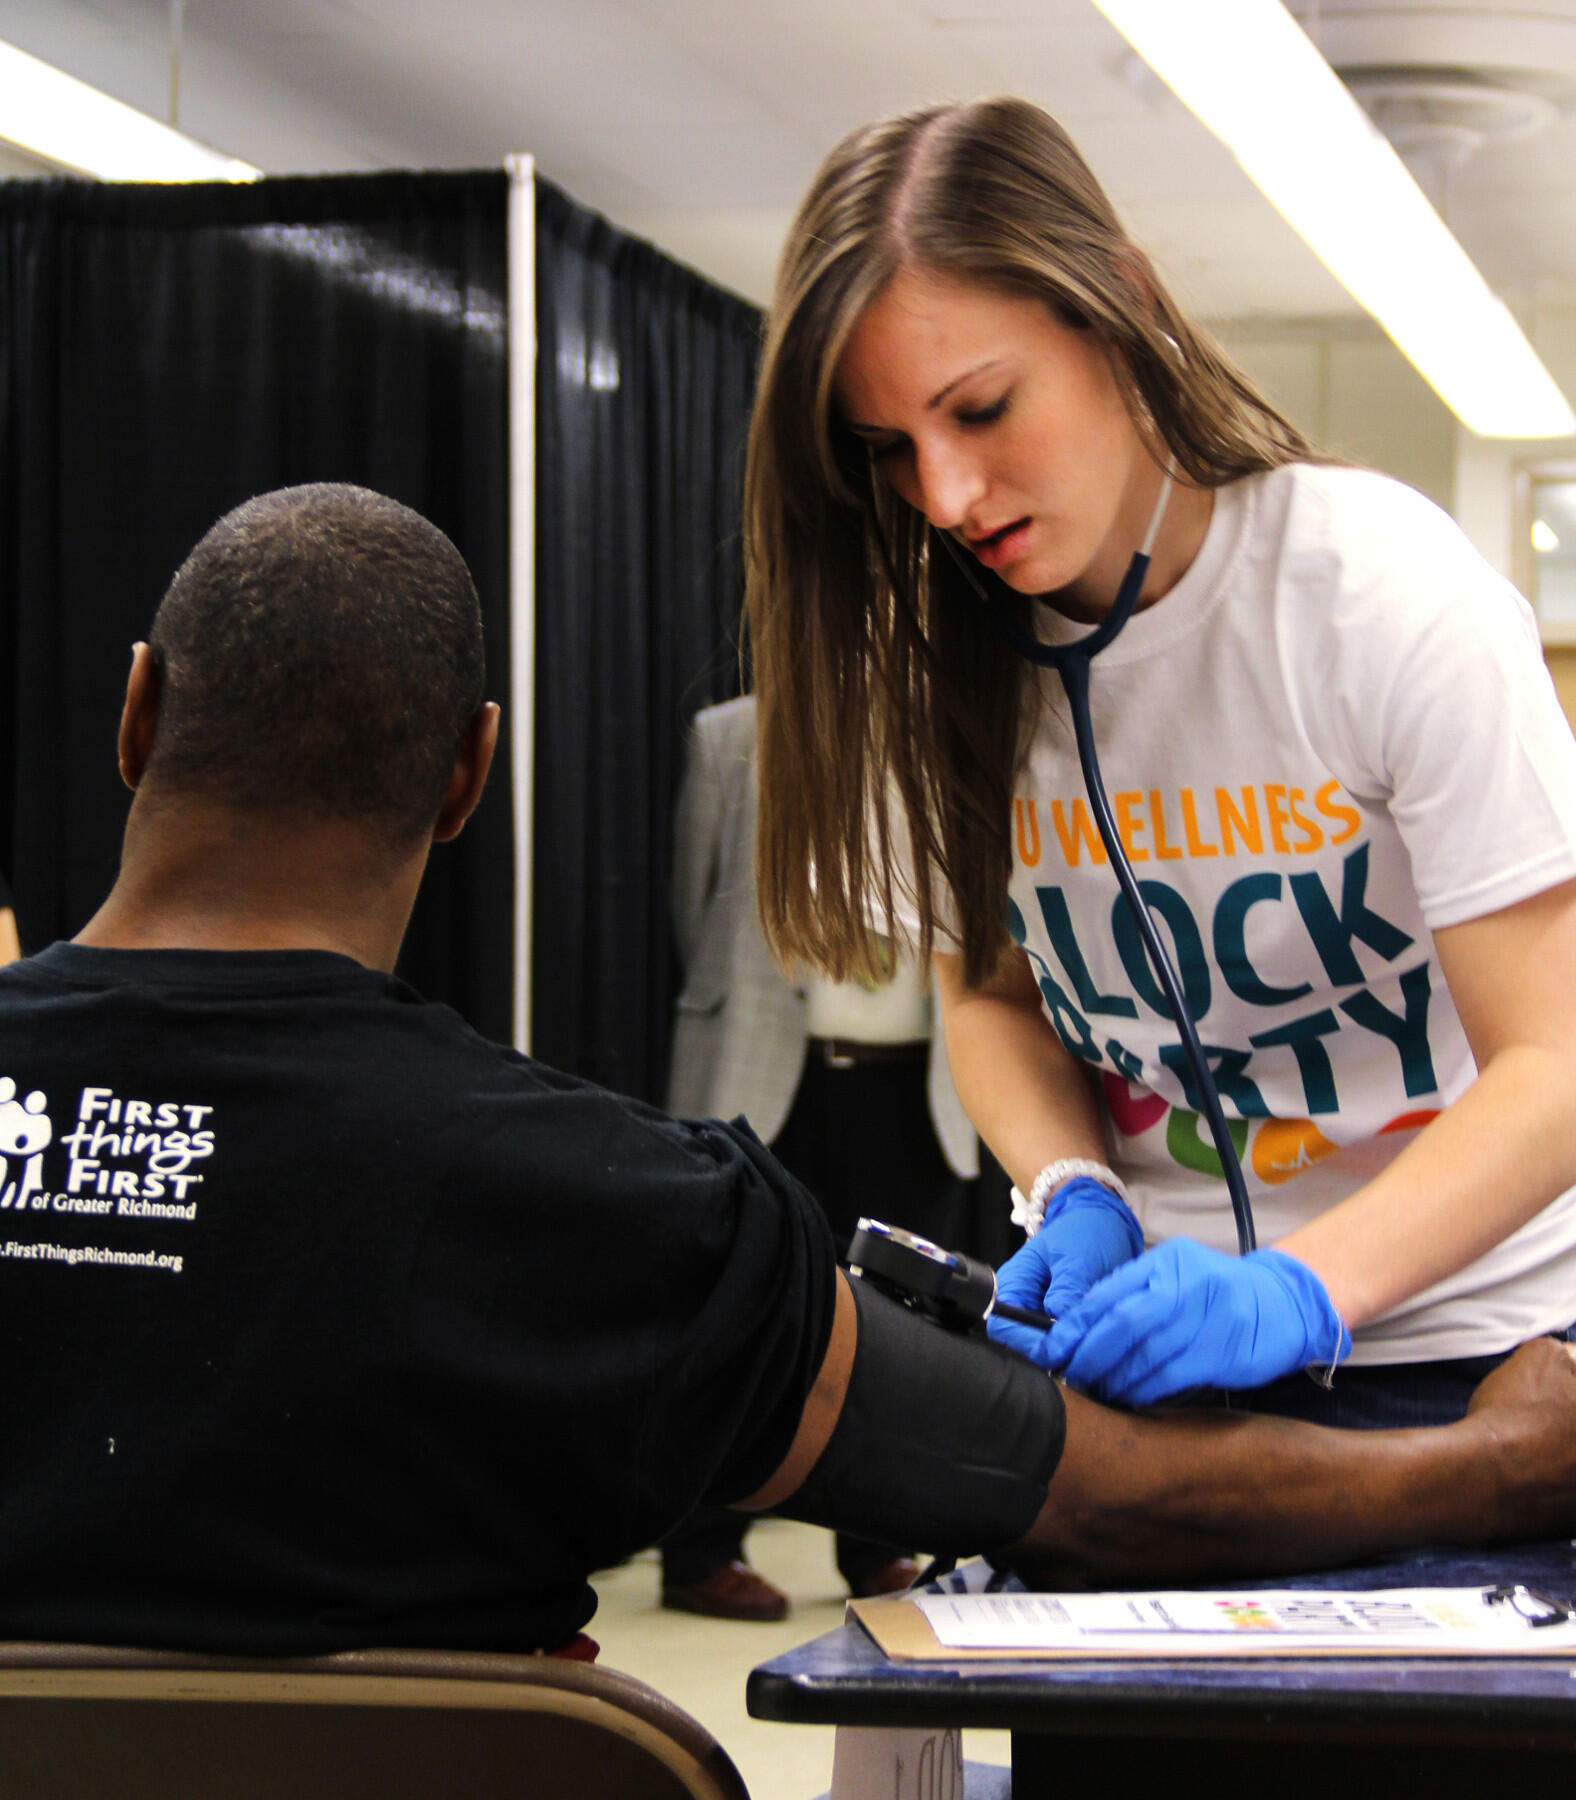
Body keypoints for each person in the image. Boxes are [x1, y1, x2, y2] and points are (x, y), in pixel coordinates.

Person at [5, 484, 1576, 1660]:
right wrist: (1489, 1465)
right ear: (470, 774)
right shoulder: (606, 1219)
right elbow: (1103, 1496)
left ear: (136, 710)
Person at [743, 96, 1576, 1426]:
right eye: (891, 451)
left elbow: (1557, 1063)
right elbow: (995, 1001)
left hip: (1478, 1355)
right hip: (1163, 1374)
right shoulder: (948, 674)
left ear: (1118, 309)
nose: (946, 499)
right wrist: (1072, 1188)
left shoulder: (1380, 593)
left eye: (983, 408)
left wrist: (1302, 1289)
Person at [661, 693, 976, 1618]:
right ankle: (700, 1552)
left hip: (920, 1084)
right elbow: (697, 910)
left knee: (905, 1328)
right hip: (769, 1076)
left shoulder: (965, 740)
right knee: (736, 1316)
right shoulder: (731, 737)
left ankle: (877, 1547)